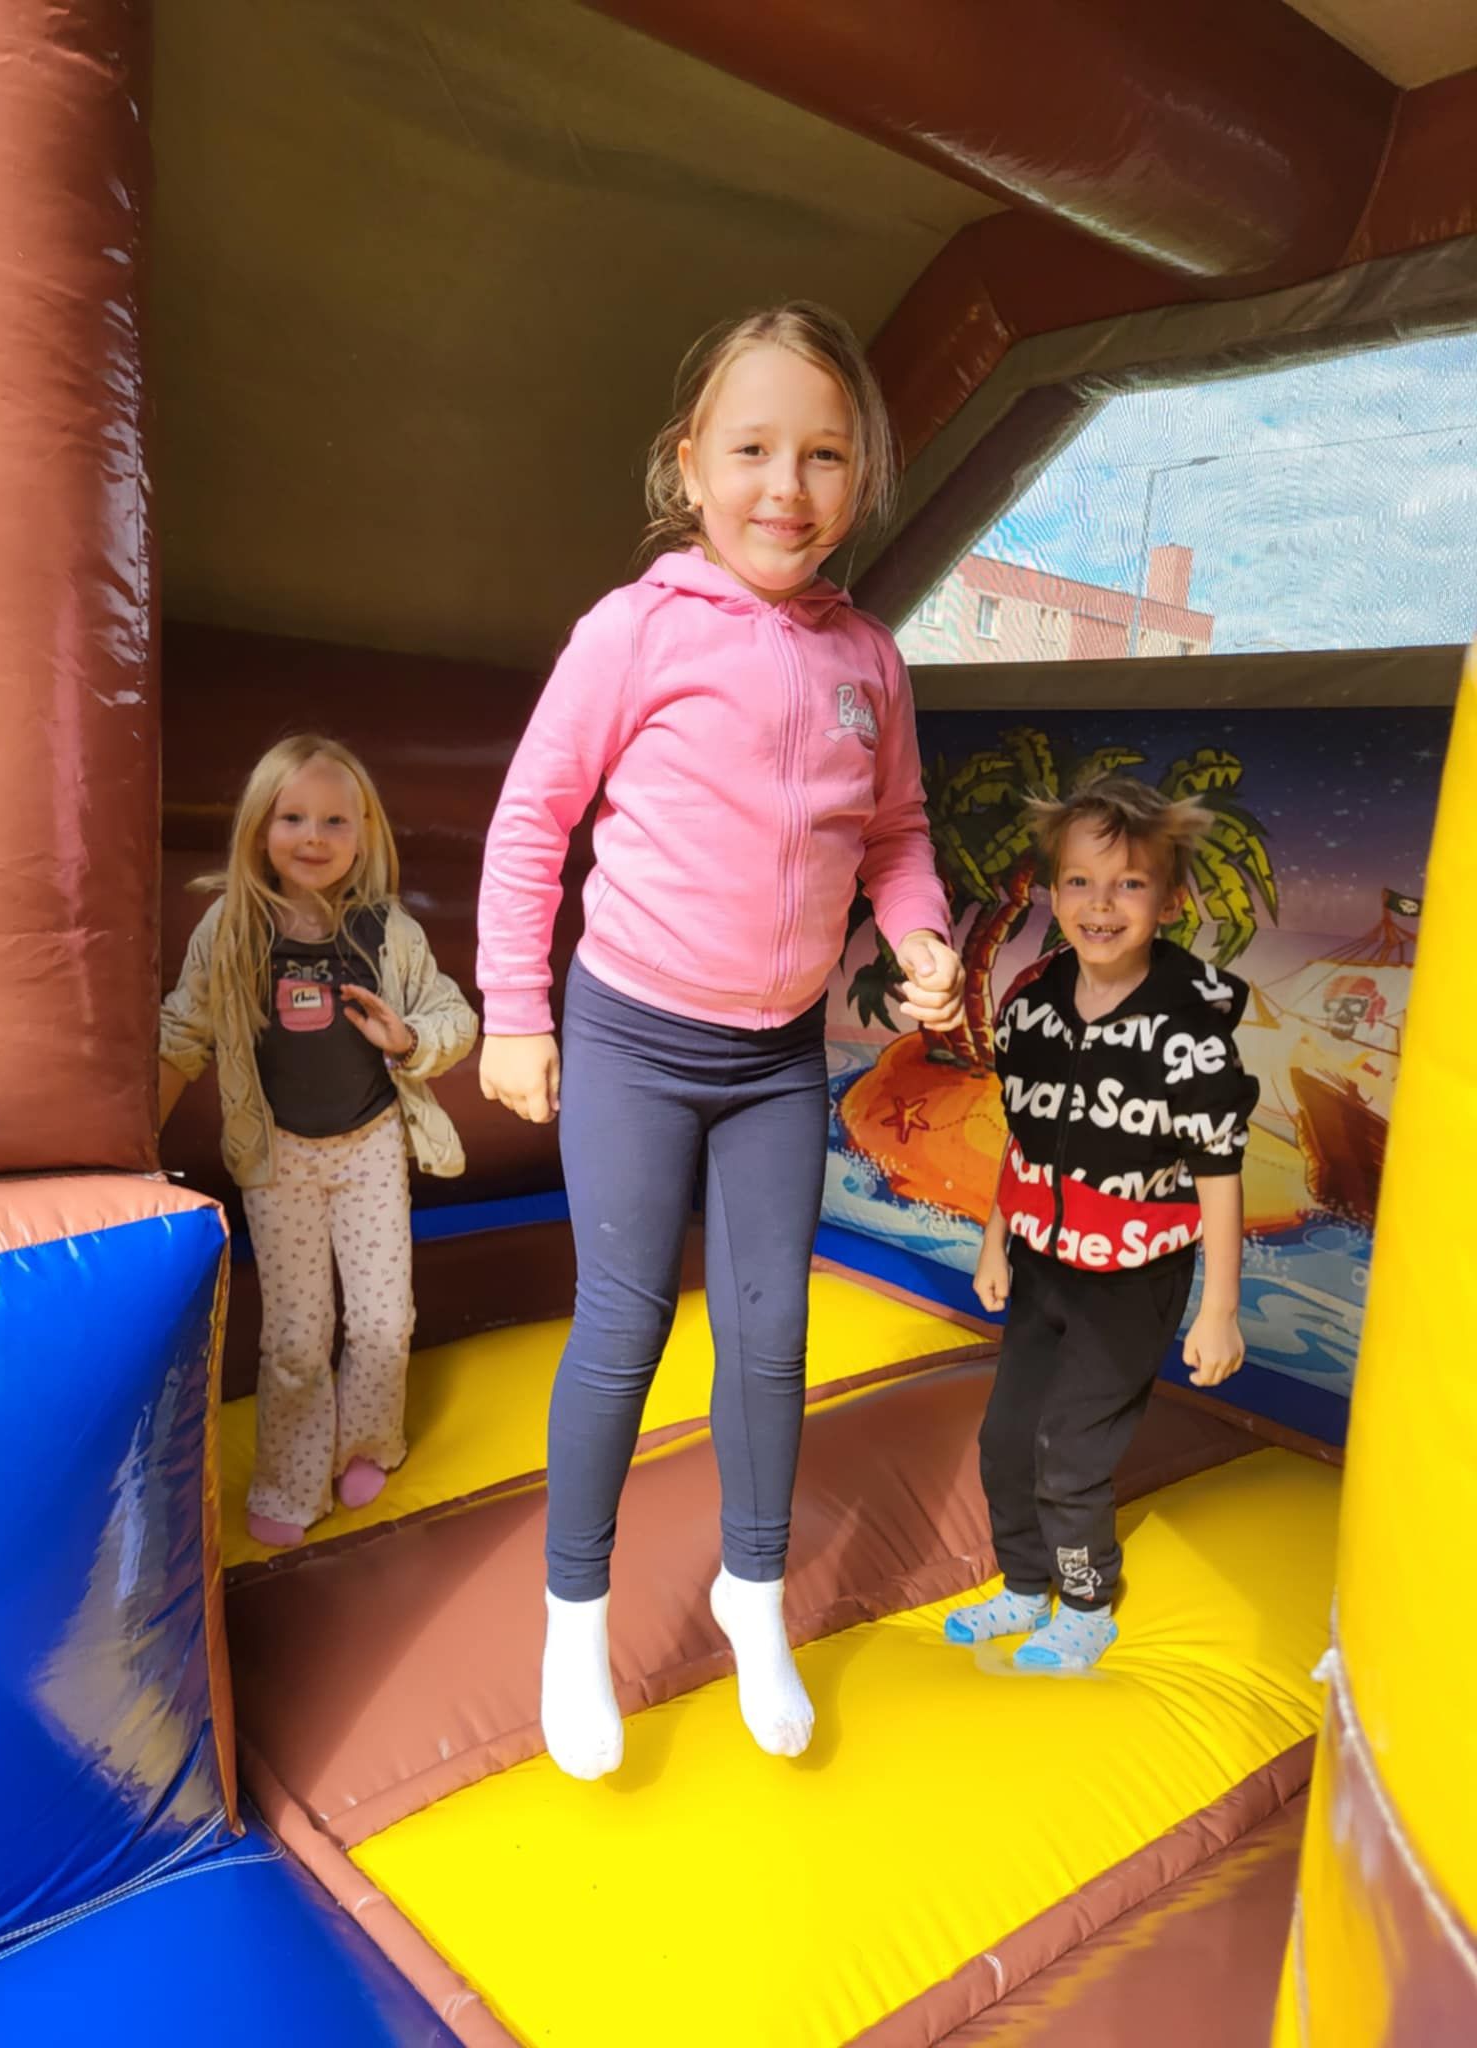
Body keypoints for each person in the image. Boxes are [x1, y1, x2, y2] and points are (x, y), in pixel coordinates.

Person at [477, 302, 962, 1777]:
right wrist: (515, 1010)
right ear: (690, 465)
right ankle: (575, 1619)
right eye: (752, 451)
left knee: (771, 1332)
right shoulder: (635, 631)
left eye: (823, 456)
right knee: (625, 1323)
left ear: (861, 477)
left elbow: (897, 835)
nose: (785, 488)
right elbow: (533, 819)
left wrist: (922, 935)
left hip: (773, 1061)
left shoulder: (869, 660)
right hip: (632, 1033)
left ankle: (754, 1594)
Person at [946, 775, 1259, 1671]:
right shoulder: (1034, 1006)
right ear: (1052, 892)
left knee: (1070, 1446)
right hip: (1043, 1265)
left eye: (1129, 884)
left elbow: (1219, 1170)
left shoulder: (1188, 1033)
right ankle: (1024, 1585)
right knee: (1007, 1439)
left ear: (1171, 900)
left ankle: (1086, 1603)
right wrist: (996, 1241)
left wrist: (1220, 1308)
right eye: (1080, 881)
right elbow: (1024, 1136)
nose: (1101, 904)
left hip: (1132, 1280)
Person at [160, 735, 477, 1547]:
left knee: (382, 1321)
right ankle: (291, 1480)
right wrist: (132, 1143)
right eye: (292, 817)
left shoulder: (386, 930)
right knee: (297, 1337)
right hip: (280, 1156)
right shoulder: (234, 930)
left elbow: (453, 1017)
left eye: (336, 820)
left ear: (364, 834)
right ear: (258, 828)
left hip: (370, 1147)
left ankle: (368, 1443)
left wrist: (410, 1039)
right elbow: (183, 1033)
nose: (313, 837)